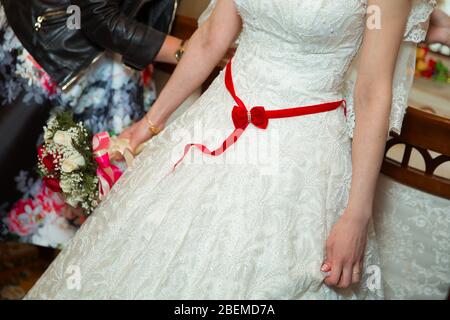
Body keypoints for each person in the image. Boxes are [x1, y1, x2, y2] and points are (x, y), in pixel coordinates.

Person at [25, 0, 435, 299]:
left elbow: (372, 92)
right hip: (215, 119)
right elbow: (207, 40)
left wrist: (357, 213)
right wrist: (146, 126)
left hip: (303, 152)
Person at [0, 0, 185, 247]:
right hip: (54, 44)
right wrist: (189, 50)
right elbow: (97, 14)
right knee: (11, 165)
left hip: (112, 57)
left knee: (86, 193)